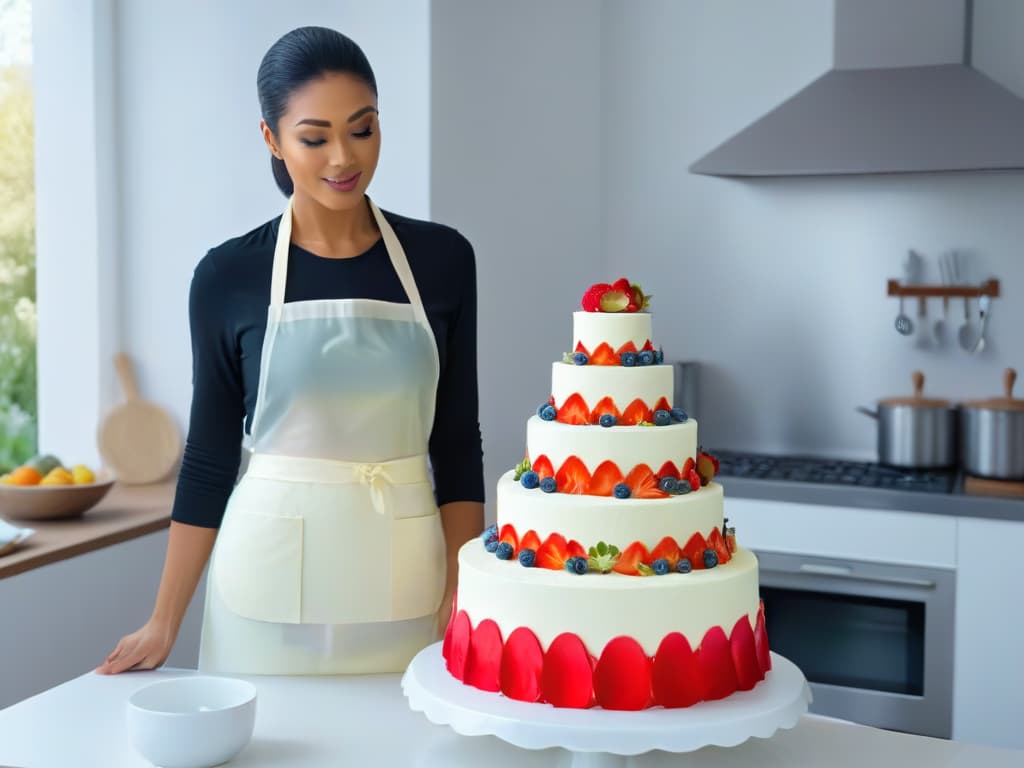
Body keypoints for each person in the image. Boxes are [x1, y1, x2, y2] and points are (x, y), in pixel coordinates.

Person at [96, 26, 484, 675]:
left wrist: (464, 586)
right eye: (315, 137)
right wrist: (164, 621)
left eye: (362, 129)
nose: (343, 157)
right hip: (264, 593)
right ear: (272, 140)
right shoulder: (227, 277)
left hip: (411, 586)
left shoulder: (444, 260)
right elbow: (210, 459)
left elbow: (455, 440)